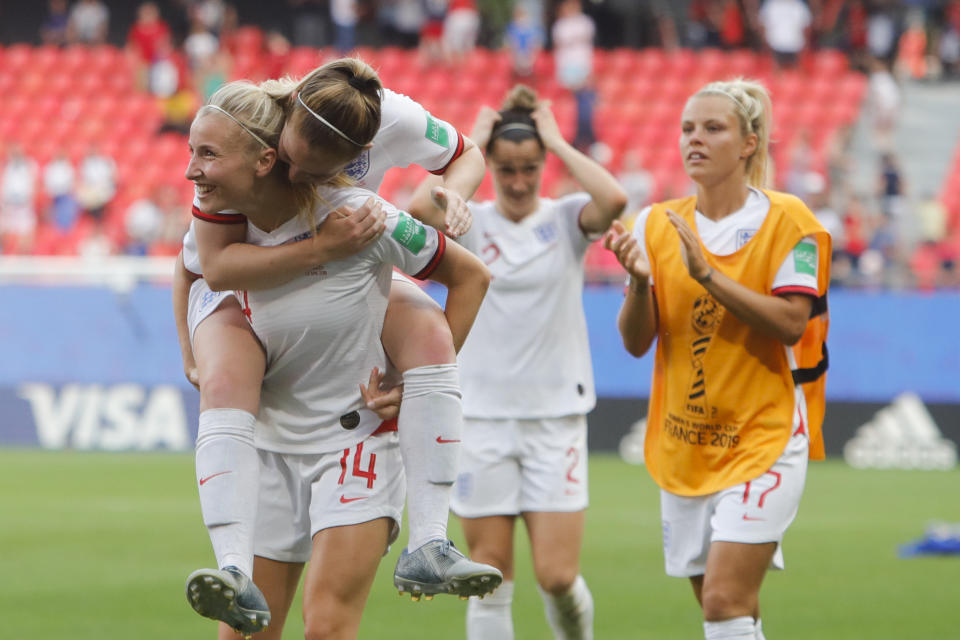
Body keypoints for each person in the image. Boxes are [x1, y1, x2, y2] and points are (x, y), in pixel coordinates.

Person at [174, 58, 502, 636]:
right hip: (274, 437)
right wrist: (189, 353)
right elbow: (204, 268)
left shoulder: (363, 211)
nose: (299, 174)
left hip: (354, 435)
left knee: (327, 627)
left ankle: (430, 538)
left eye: (314, 166)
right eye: (291, 159)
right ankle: (231, 564)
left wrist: (451, 196)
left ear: (358, 155)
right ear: (272, 147)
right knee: (245, 633)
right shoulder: (233, 171)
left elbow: (470, 250)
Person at [603, 78, 831, 640]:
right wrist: (637, 283)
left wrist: (708, 275)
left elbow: (791, 323)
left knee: (725, 600)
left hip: (765, 436)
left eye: (712, 128)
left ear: (749, 143)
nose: (694, 140)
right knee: (726, 605)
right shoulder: (656, 223)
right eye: (687, 129)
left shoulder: (791, 220)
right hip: (688, 442)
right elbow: (636, 342)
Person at [444, 85, 627, 639]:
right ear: (492, 167)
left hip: (554, 419)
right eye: (506, 169)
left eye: (530, 168)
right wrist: (470, 145)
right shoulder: (469, 220)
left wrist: (557, 139)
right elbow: (417, 211)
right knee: (489, 573)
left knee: (556, 575)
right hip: (479, 417)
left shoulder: (568, 218)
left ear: (544, 164)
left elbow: (614, 200)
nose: (519, 181)